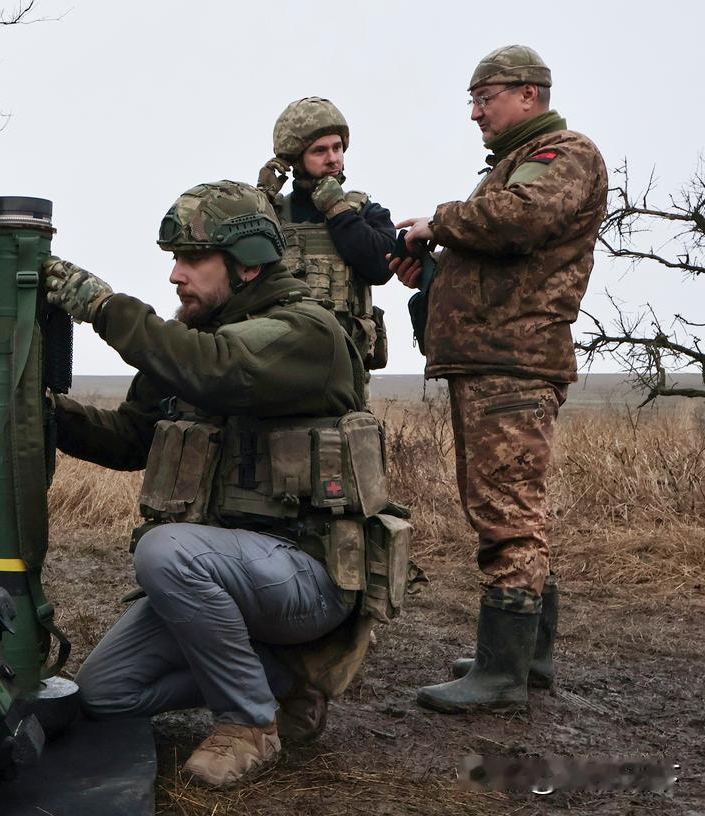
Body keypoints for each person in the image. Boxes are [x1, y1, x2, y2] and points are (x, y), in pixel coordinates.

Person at [41, 181, 405, 788]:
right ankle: (284, 682)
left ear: (247, 264)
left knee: (166, 552)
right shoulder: (193, 338)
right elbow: (132, 439)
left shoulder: (305, 331)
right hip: (219, 572)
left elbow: (218, 369)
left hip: (308, 577)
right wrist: (55, 416)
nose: (175, 275)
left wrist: (101, 306)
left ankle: (249, 722)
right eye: (173, 259)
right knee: (105, 693)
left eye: (192, 258)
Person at [390, 45, 606, 713]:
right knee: (511, 508)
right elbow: (504, 260)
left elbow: (520, 221)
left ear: (528, 94)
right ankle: (525, 657)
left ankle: (502, 674)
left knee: (507, 514)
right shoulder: (515, 166)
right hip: (493, 361)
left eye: (485, 98)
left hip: (512, 365)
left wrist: (440, 221)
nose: (476, 113)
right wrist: (434, 276)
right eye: (474, 100)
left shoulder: (563, 154)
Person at [256, 97, 395, 378]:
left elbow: (381, 266)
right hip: (279, 365)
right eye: (319, 150)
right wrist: (256, 202)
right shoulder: (273, 215)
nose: (333, 159)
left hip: (344, 368)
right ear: (296, 158)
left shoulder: (364, 211)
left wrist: (337, 210)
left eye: (337, 148)